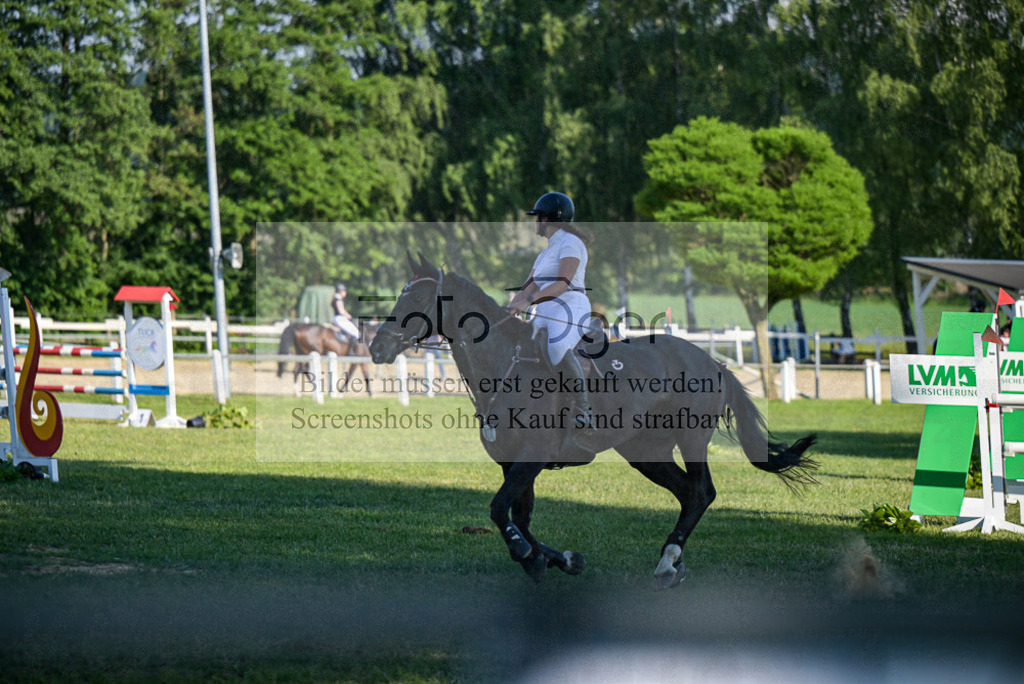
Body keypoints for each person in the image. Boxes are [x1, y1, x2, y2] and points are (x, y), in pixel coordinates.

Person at [508, 192, 596, 435]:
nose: (534, 222)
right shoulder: (546, 251)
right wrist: (506, 311)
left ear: (545, 219)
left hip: (571, 304)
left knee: (557, 346)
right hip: (545, 306)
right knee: (523, 347)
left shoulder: (571, 243)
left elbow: (563, 283)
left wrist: (527, 302)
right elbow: (528, 287)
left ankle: (584, 409)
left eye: (536, 217)